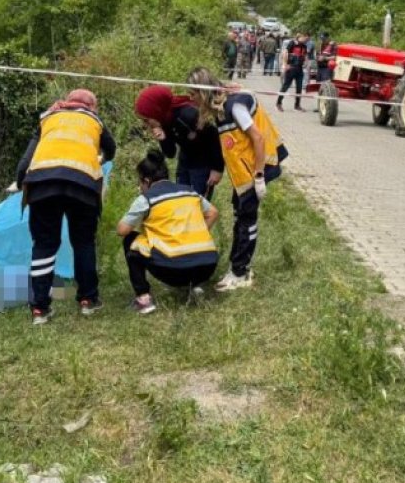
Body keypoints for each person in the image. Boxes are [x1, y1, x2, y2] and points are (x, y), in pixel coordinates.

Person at [15, 89, 116, 325]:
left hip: (42, 184)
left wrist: (20, 182)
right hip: (83, 185)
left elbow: (26, 160)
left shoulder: (48, 117)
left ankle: (40, 308)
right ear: (92, 105)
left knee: (44, 245)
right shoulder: (94, 120)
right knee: (83, 242)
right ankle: (88, 300)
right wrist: (101, 159)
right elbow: (111, 149)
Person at [187, 67, 288, 291]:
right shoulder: (221, 107)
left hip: (256, 168)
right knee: (239, 215)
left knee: (246, 220)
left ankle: (241, 272)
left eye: (192, 94)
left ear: (202, 91)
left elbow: (258, 138)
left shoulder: (233, 107)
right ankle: (236, 266)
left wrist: (259, 176)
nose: (190, 99)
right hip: (243, 173)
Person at [117, 151, 220, 314]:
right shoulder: (189, 191)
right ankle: (193, 287)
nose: (140, 186)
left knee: (130, 240)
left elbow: (122, 230)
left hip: (173, 270)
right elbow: (213, 213)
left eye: (140, 182)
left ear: (146, 181)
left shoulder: (146, 198)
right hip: (207, 267)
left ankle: (143, 299)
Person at [134, 85, 224, 198]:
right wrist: (163, 139)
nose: (145, 124)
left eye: (147, 120)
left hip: (203, 165)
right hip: (185, 162)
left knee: (197, 203)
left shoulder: (188, 115)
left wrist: (217, 169)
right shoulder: (164, 119)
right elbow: (170, 153)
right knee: (181, 200)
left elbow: (215, 138)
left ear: (157, 110)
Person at [276, 33, 310, 111]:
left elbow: (305, 56)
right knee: (285, 86)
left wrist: (306, 63)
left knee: (299, 88)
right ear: (299, 37)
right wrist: (285, 65)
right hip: (291, 68)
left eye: (306, 38)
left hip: (299, 69)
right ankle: (278, 103)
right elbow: (285, 53)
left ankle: (297, 105)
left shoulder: (304, 46)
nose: (305, 39)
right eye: (304, 37)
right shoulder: (292, 43)